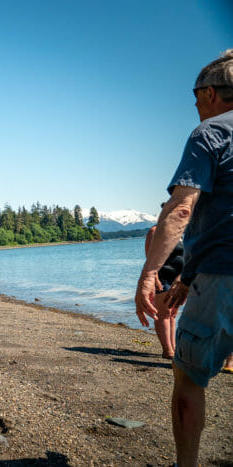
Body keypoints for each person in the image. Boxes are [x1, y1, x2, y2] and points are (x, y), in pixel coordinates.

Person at [135, 49, 233, 467]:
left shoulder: (209, 133)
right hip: (206, 272)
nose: (195, 108)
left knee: (189, 378)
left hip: (222, 276)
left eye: (196, 99)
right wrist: (186, 276)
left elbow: (180, 210)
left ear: (210, 93)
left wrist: (149, 273)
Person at [143, 224, 184, 359]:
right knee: (163, 313)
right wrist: (154, 278)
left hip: (177, 278)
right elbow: (150, 258)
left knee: (172, 314)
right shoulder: (154, 232)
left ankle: (173, 347)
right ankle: (167, 350)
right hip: (162, 276)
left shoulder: (179, 232)